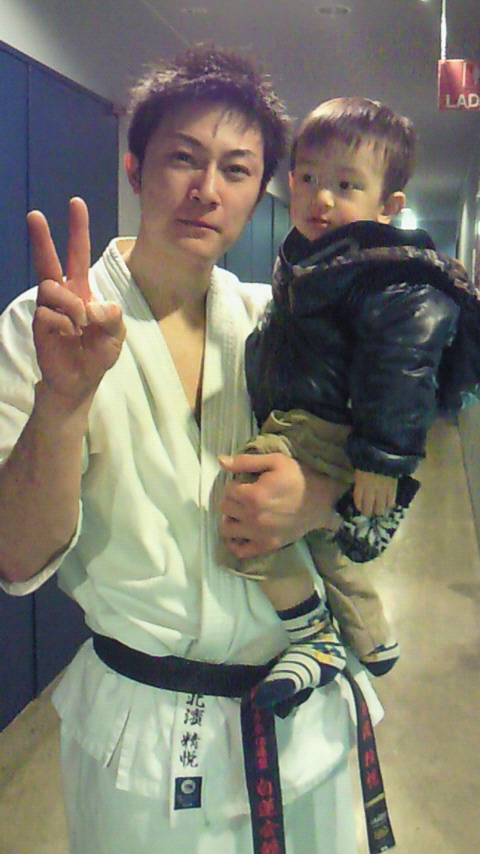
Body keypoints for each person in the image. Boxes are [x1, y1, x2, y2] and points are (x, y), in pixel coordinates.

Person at [0, 49, 383, 854]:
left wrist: (319, 500)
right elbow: (15, 556)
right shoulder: (48, 324)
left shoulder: (285, 322)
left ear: (259, 191)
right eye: (184, 158)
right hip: (142, 726)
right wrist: (61, 404)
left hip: (304, 714)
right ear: (135, 168)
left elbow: (384, 490)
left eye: (237, 170)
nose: (208, 189)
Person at [225, 96, 480, 711]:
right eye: (308, 178)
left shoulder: (387, 273)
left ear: (387, 206)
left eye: (346, 186)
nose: (321, 198)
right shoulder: (318, 260)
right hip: (308, 419)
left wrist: (381, 460)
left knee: (245, 513)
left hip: (323, 427)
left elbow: (403, 365)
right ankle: (371, 633)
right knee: (317, 540)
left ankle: (313, 636)